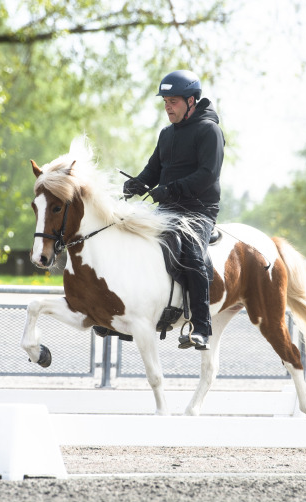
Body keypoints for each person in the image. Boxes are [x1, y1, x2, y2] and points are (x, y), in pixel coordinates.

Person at [123, 70, 224, 351]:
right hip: (168, 208)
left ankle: (201, 327)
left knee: (192, 252)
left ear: (192, 101)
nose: (168, 107)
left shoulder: (209, 131)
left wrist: (171, 189)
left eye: (174, 101)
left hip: (198, 209)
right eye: (165, 101)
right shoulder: (167, 134)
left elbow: (207, 174)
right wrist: (137, 183)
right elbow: (153, 170)